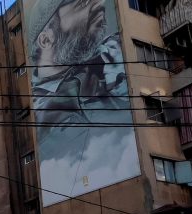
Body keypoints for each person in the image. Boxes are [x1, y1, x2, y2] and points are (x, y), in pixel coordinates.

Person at [27, 0, 130, 152]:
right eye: (82, 2)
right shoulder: (41, 115)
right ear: (46, 40)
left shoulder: (115, 47)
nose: (99, 2)